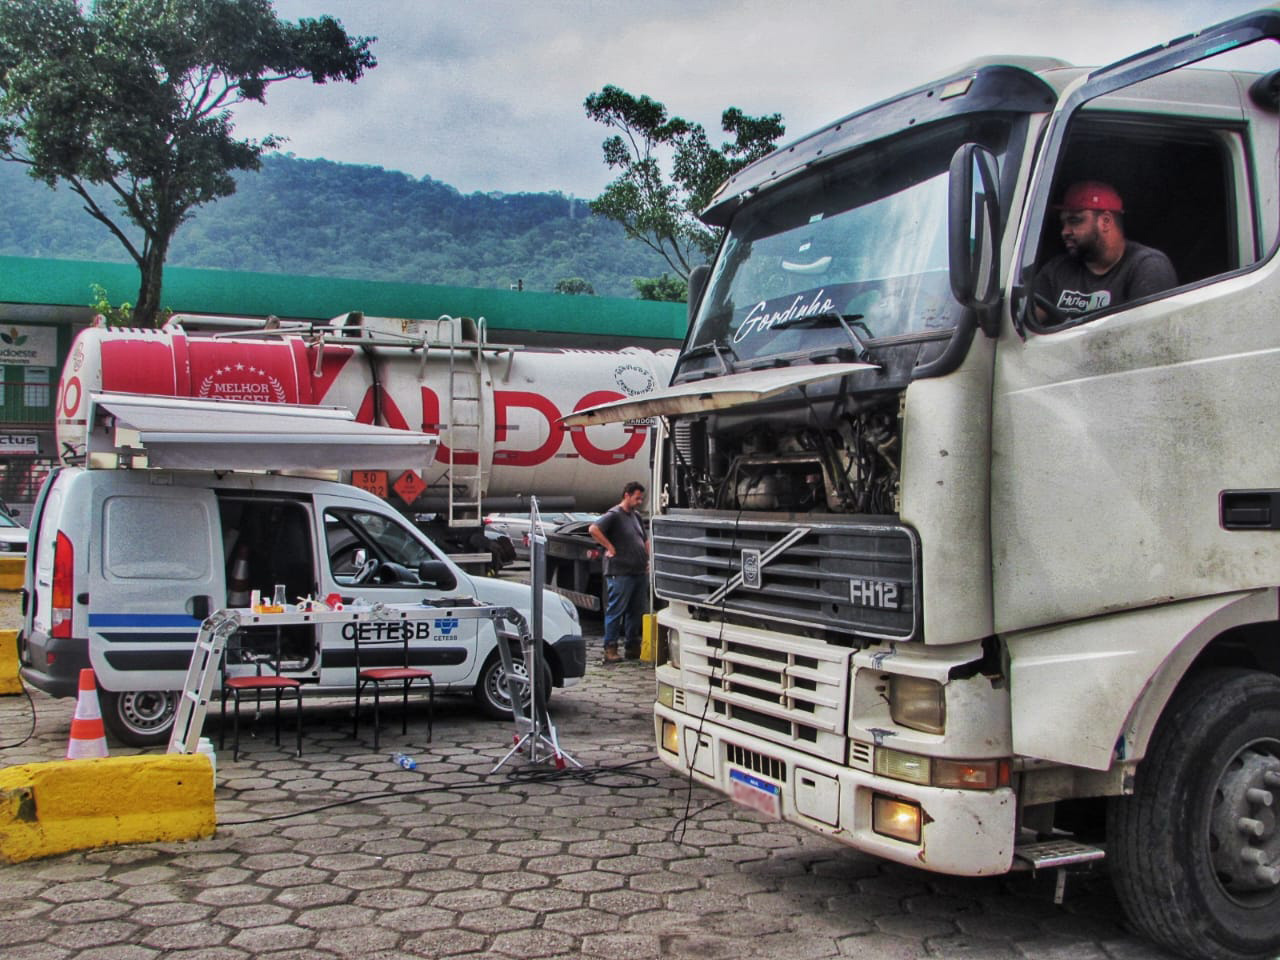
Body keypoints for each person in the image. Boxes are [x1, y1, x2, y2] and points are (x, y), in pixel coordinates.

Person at [1035, 181, 1177, 323]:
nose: (1064, 232)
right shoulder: (1057, 270)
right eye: (1063, 223)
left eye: (1074, 220)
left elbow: (1147, 333)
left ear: (1106, 222)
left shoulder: (1147, 266)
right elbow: (1026, 324)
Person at [589, 481, 649, 663]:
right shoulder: (614, 515)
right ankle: (610, 648)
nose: (640, 502)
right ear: (627, 495)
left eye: (641, 498)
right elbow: (593, 529)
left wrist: (648, 559)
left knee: (635, 611)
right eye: (637, 498)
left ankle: (632, 646)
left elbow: (644, 539)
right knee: (616, 610)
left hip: (638, 571)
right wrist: (609, 546)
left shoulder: (636, 516)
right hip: (620, 572)